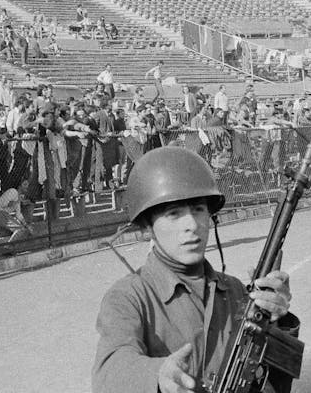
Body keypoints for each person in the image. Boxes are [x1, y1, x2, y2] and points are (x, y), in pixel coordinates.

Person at [92, 147, 297, 393]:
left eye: (198, 209)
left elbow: (275, 381)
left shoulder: (234, 290)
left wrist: (278, 319)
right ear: (148, 227)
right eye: (174, 214)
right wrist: (157, 375)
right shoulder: (129, 296)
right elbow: (110, 368)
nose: (191, 225)